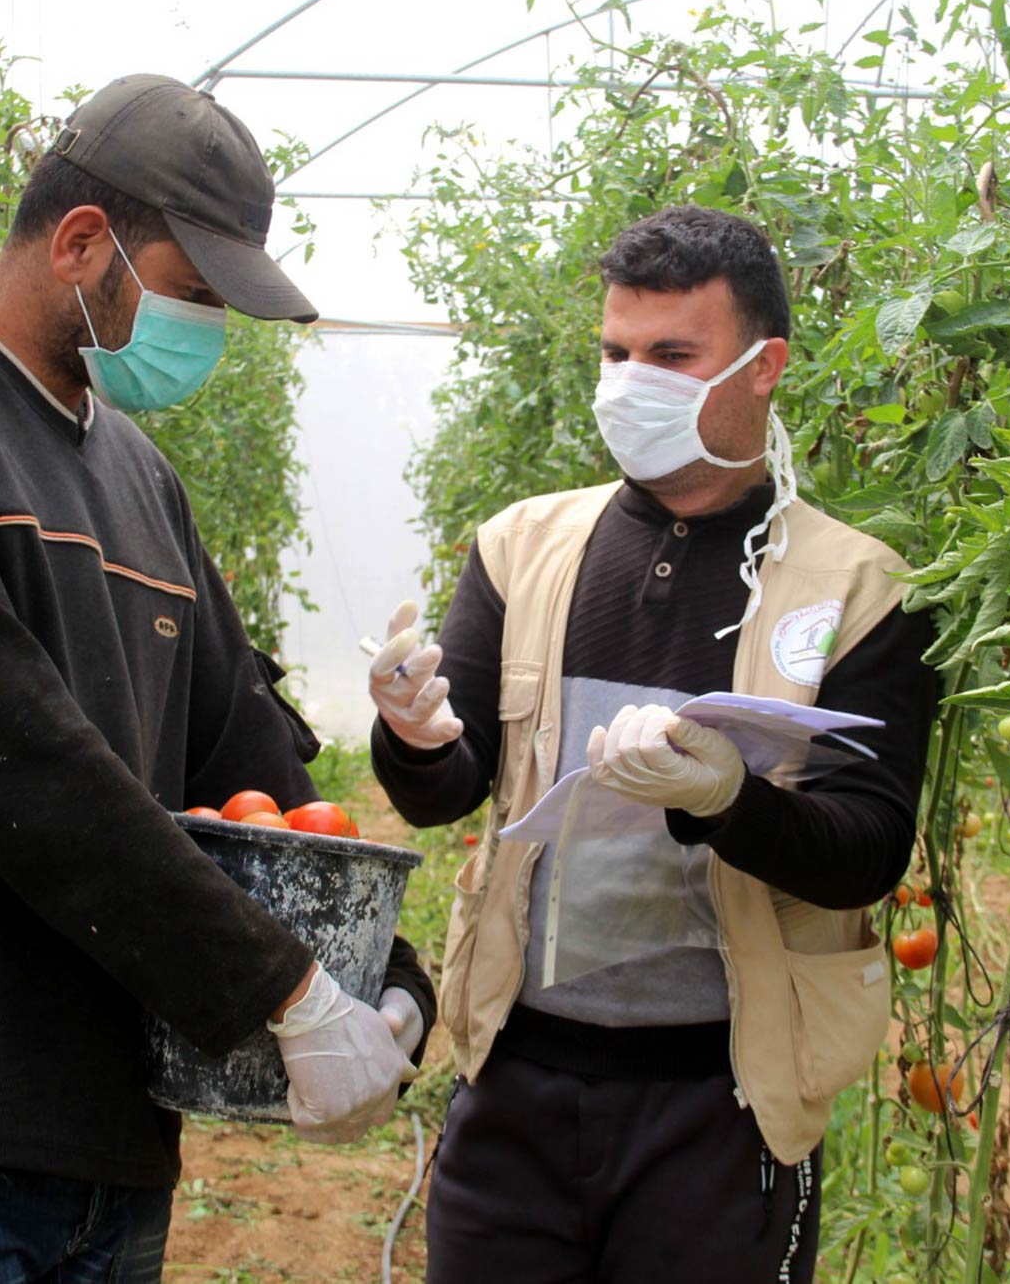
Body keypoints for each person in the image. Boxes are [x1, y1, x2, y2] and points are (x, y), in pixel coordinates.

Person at [0, 74, 432, 1284]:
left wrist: (383, 974)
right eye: (194, 292)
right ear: (78, 242)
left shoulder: (138, 478)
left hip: (109, 1139)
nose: (204, 330)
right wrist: (280, 984)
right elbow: (13, 758)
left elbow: (244, 758)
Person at [368, 205, 937, 1281]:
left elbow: (866, 845)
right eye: (615, 353)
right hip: (516, 1084)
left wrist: (728, 798)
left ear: (763, 366)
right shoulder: (522, 546)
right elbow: (449, 786)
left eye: (673, 356)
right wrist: (410, 732)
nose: (632, 381)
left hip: (721, 1103)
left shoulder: (858, 587)